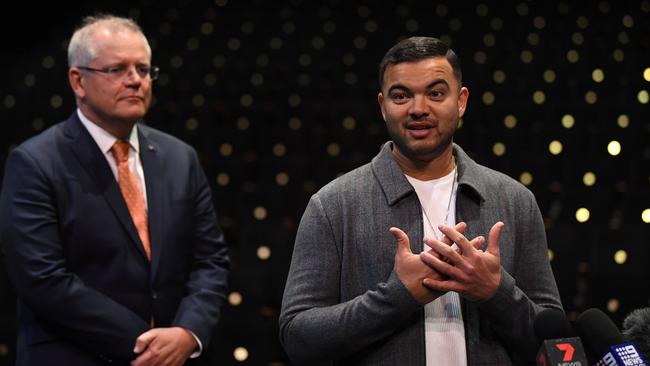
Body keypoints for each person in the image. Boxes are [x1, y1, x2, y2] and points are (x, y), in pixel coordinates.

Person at [279, 36, 562, 365]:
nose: (418, 109)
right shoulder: (333, 205)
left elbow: (555, 343)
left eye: (436, 93)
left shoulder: (515, 201)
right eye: (401, 96)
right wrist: (398, 296)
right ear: (383, 106)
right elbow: (297, 338)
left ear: (461, 101)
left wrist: (495, 293)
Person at [0, 15, 229, 365]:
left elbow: (210, 261)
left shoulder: (180, 157)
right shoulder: (34, 162)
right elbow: (42, 278)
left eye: (143, 69)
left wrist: (187, 333)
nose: (135, 80)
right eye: (117, 69)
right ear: (78, 81)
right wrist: (145, 343)